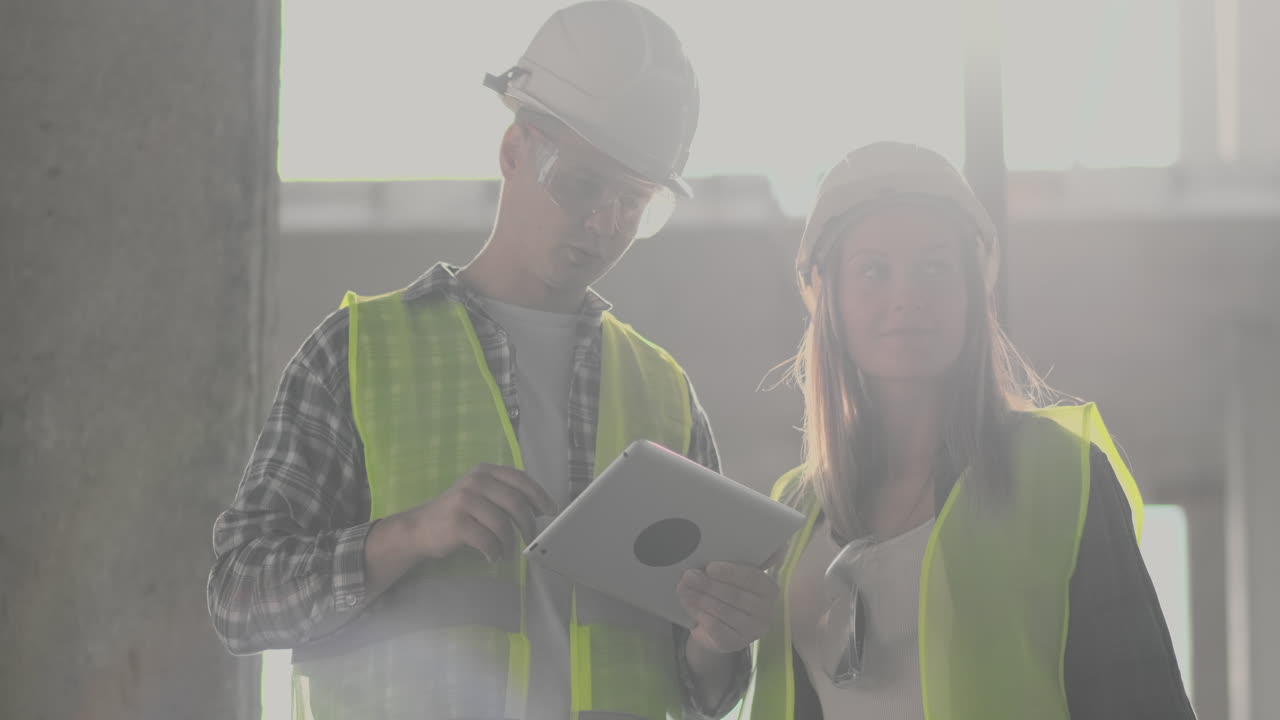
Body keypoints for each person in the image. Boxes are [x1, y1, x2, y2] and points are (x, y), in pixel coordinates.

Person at [206, 3, 777, 718]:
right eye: (581, 185)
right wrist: (408, 536)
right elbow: (240, 597)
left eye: (632, 203)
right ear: (514, 150)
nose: (603, 224)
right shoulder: (356, 354)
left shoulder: (663, 391)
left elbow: (700, 691)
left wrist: (721, 640)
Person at [740, 142, 1197, 720]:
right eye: (873, 271)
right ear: (831, 304)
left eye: (934, 267)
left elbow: (1144, 701)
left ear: (973, 293)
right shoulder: (796, 510)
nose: (906, 296)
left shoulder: (1058, 473)